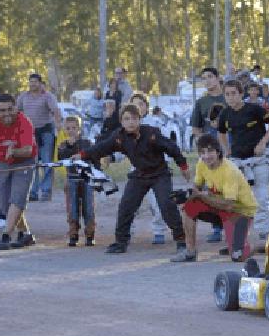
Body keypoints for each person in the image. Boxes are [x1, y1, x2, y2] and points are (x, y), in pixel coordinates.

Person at [74, 104, 191, 256]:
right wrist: (82, 155)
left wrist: (183, 166)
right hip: (139, 175)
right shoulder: (118, 137)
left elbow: (172, 148)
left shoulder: (151, 133)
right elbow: (100, 148)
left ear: (139, 120)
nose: (130, 122)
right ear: (121, 121)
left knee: (166, 204)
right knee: (126, 206)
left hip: (160, 174)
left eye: (134, 118)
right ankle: (120, 242)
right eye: (126, 119)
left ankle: (182, 241)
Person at [172, 134, 258, 262]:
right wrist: (186, 193)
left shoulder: (229, 170)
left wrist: (201, 195)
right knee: (189, 206)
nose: (206, 156)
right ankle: (190, 251)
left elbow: (229, 205)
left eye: (210, 151)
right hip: (218, 205)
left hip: (240, 211)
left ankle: (258, 247)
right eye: (203, 152)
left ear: (218, 151)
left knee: (239, 257)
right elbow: (197, 186)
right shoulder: (202, 163)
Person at [216, 80, 269, 242]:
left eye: (234, 93)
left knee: (260, 196)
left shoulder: (254, 109)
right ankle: (237, 236)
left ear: (241, 94)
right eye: (227, 94)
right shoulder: (225, 114)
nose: (231, 97)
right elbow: (221, 132)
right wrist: (226, 149)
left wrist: (263, 142)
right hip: (237, 160)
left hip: (259, 160)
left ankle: (264, 233)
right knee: (235, 198)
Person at [0, 94, 39, 250]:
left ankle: (6, 235)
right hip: (2, 162)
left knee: (17, 198)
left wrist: (13, 151)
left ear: (16, 108)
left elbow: (27, 150)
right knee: (3, 201)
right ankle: (25, 234)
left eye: (10, 109)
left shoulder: (24, 122)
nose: (7, 113)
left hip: (25, 162)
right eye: (2, 110)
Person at [189, 67, 229, 243]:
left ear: (218, 78)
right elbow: (196, 128)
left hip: (229, 149)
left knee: (230, 188)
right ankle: (217, 228)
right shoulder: (201, 102)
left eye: (210, 77)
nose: (207, 81)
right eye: (204, 78)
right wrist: (204, 145)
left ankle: (233, 225)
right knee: (211, 189)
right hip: (209, 153)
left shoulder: (228, 98)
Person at [129, 93, 172, 245]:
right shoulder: (127, 125)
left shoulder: (156, 123)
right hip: (137, 172)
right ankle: (127, 231)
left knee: (159, 203)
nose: (138, 108)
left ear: (147, 106)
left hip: (156, 171)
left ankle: (159, 230)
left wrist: (167, 162)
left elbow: (167, 144)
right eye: (134, 105)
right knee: (130, 204)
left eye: (141, 104)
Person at [17, 73, 63, 202]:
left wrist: (58, 123)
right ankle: (33, 191)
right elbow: (17, 111)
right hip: (30, 134)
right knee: (33, 163)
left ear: (40, 83)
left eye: (35, 82)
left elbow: (55, 110)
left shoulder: (47, 96)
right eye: (31, 82)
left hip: (45, 132)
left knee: (47, 162)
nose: (33, 84)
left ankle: (46, 191)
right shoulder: (23, 97)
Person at [57, 116, 97, 247]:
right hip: (71, 178)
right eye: (68, 128)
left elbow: (93, 156)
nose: (71, 131)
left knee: (88, 206)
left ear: (79, 129)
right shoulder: (63, 145)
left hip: (86, 179)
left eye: (74, 128)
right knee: (72, 208)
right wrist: (70, 145)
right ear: (64, 129)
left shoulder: (87, 143)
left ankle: (90, 234)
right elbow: (62, 158)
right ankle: (73, 234)